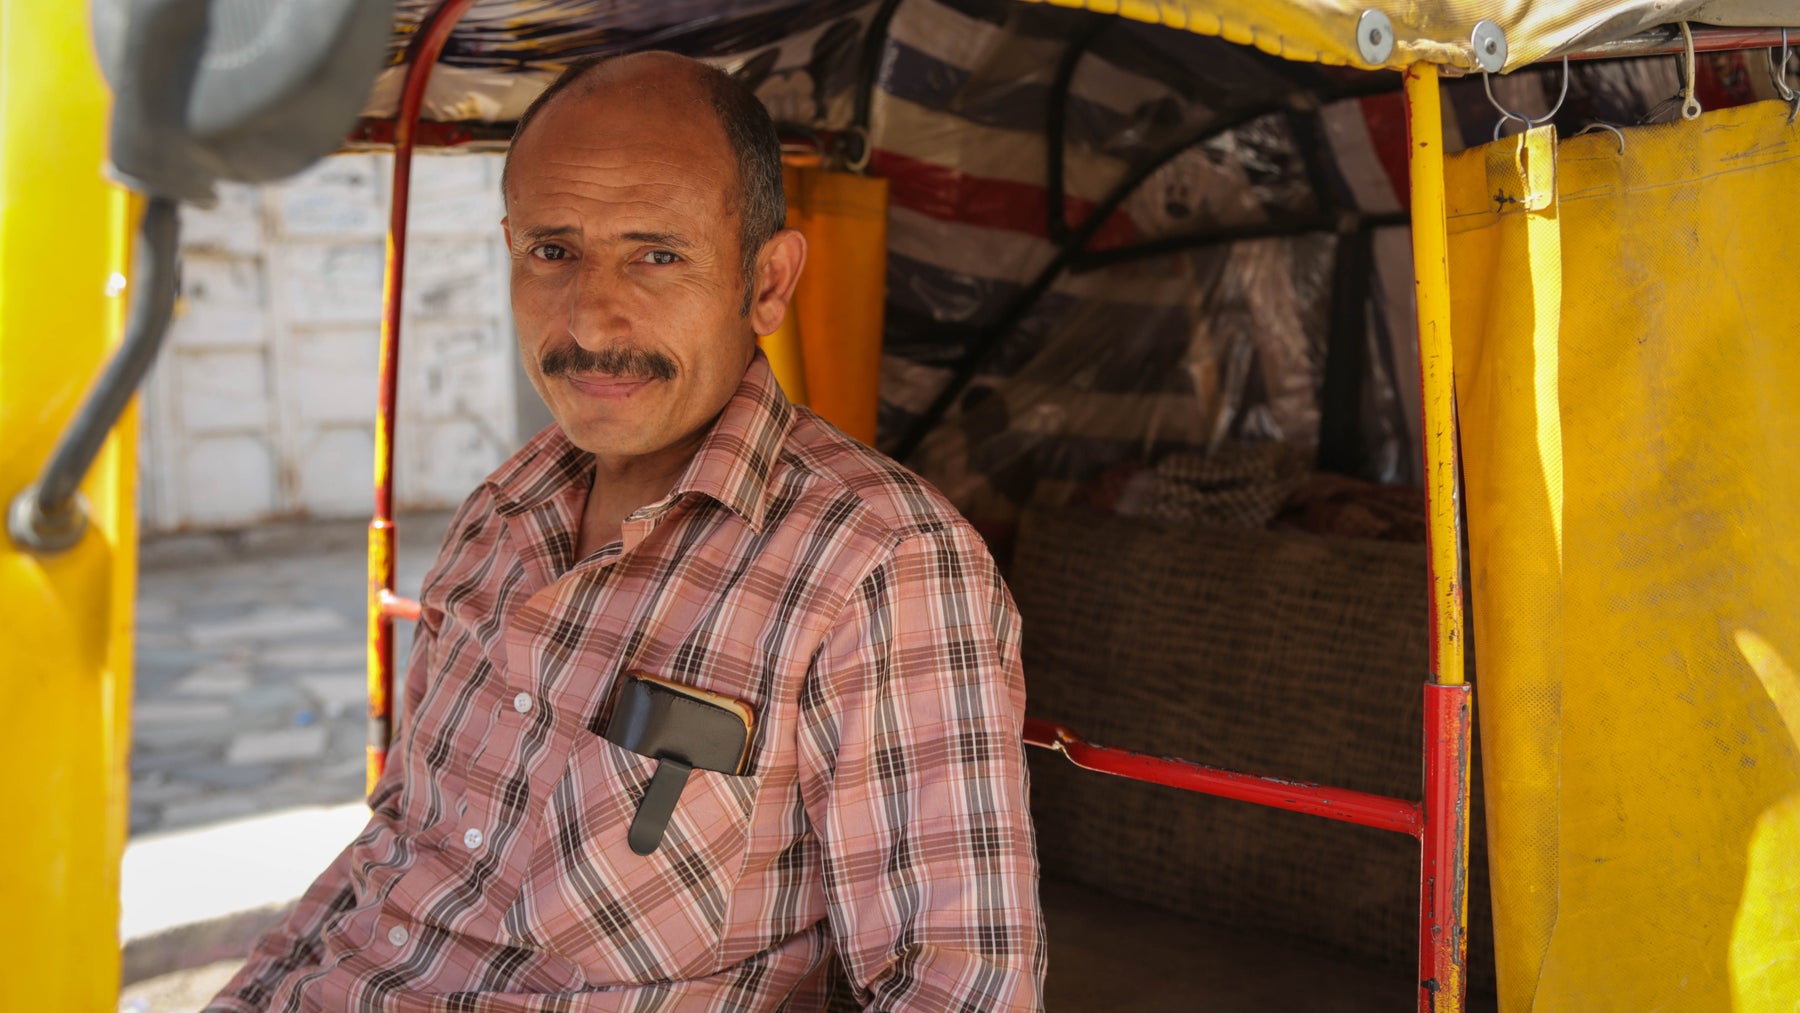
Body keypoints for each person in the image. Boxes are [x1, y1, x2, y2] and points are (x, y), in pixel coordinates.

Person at [205, 51, 1045, 1011]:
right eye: (552, 251)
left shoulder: (880, 566)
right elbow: (393, 850)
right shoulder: (503, 511)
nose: (592, 317)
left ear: (766, 283)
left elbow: (956, 986)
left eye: (657, 254)